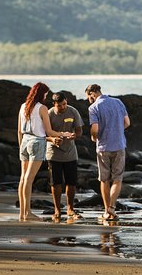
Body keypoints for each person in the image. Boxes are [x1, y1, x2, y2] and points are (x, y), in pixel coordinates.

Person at [17, 82, 74, 222]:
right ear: (41, 94)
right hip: (37, 142)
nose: (46, 96)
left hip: (24, 141)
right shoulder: (42, 108)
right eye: (46, 94)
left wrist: (20, 147)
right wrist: (64, 134)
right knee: (29, 179)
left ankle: (22, 214)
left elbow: (19, 130)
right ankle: (28, 213)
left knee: (23, 179)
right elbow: (48, 131)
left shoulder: (23, 106)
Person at [85, 83, 130, 221]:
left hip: (103, 148)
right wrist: (116, 131)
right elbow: (127, 122)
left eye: (88, 97)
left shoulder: (93, 107)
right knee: (117, 179)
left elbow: (95, 129)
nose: (88, 100)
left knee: (104, 180)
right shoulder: (118, 102)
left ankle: (106, 211)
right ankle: (112, 209)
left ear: (92, 93)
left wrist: (93, 137)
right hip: (119, 145)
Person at [46, 91, 83, 222]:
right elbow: (43, 135)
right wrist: (52, 139)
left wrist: (75, 135)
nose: (63, 107)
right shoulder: (49, 114)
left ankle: (70, 208)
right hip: (53, 154)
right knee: (55, 183)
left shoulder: (73, 111)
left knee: (71, 183)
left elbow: (79, 130)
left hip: (70, 154)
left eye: (64, 104)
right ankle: (57, 209)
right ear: (54, 104)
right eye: (60, 105)